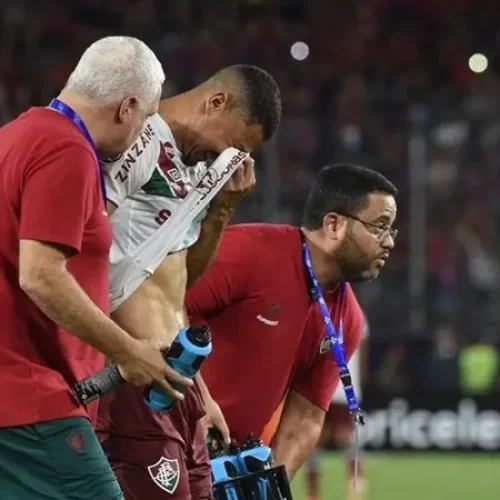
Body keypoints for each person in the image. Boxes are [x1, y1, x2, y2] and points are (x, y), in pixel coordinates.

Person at [0, 36, 192, 500]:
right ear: (127, 107)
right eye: (147, 117)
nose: (142, 130)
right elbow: (40, 275)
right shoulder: (66, 150)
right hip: (32, 402)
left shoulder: (15, 136)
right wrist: (127, 350)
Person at [96, 65, 282, 499]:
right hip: (135, 382)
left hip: (177, 384)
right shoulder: (134, 142)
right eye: (235, 145)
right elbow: (85, 252)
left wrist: (200, 395)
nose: (231, 159)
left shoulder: (199, 170)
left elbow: (176, 290)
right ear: (216, 103)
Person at [185, 163, 398, 481]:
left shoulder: (347, 319)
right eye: (379, 226)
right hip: (154, 434)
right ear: (334, 225)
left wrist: (270, 485)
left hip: (220, 466)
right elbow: (163, 309)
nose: (389, 242)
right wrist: (199, 401)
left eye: (391, 230)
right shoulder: (249, 253)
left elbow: (305, 418)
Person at [305, 319, 370, 500]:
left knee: (344, 437)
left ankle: (355, 486)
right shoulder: (320, 311)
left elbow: (362, 352)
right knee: (315, 441)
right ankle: (314, 493)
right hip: (323, 387)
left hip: (342, 389)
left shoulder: (355, 315)